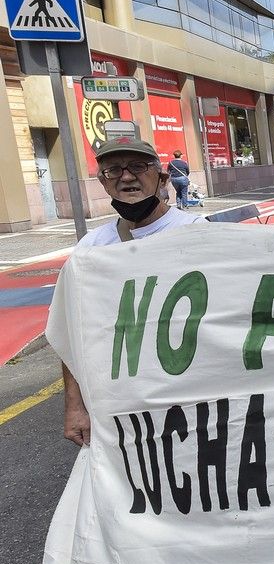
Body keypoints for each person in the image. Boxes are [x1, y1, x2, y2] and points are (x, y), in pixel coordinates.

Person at [61, 138, 203, 446]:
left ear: (162, 178)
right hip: (123, 405)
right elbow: (74, 333)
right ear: (103, 182)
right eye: (113, 170)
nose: (126, 177)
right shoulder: (90, 250)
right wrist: (75, 405)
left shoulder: (199, 232)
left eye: (138, 166)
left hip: (193, 397)